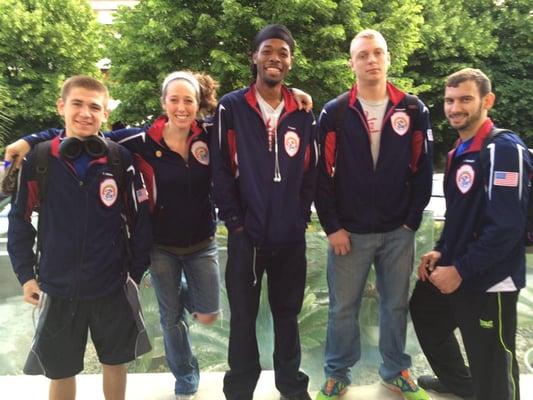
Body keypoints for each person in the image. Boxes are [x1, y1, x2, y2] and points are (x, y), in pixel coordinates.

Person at [5, 70, 313, 400]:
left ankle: (179, 289)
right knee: (158, 324)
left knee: (203, 314)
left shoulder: (203, 136)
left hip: (180, 252)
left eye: (189, 100)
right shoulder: (130, 144)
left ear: (198, 105)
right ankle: (185, 373)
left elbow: (251, 115)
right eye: (174, 99)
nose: (181, 107)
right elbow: (78, 135)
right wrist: (29, 141)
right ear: (163, 102)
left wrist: (290, 92)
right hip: (141, 255)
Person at [7, 75, 153, 400]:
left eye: (94, 107)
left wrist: (133, 272)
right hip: (58, 288)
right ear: (61, 107)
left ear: (105, 115)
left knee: (115, 363)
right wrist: (26, 276)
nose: (85, 113)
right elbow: (19, 222)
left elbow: (141, 222)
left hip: (110, 286)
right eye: (77, 104)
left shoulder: (119, 160)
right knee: (61, 371)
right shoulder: (40, 160)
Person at [314, 29, 433, 400]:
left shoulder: (412, 109)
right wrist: (333, 227)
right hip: (350, 232)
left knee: (395, 305)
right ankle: (336, 373)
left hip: (398, 230)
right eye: (362, 55)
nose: (371, 60)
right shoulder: (334, 112)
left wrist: (412, 220)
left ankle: (396, 369)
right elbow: (321, 174)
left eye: (377, 53)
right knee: (342, 308)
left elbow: (423, 168)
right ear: (351, 63)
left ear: (388, 59)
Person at [409, 68, 530, 400]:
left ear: (486, 101)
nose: (454, 108)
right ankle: (460, 383)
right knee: (425, 311)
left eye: (465, 99)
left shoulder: (504, 149)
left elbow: (507, 227)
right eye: (449, 101)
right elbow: (461, 216)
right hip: (457, 267)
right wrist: (441, 250)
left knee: (493, 363)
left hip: (491, 279)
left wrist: (460, 270)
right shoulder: (458, 151)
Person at [211, 24, 317, 400]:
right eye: (268, 51)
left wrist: (300, 217)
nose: (275, 58)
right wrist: (236, 224)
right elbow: (221, 169)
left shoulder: (303, 112)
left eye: (283, 53)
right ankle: (239, 390)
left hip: (289, 237)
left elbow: (310, 171)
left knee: (288, 317)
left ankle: (291, 386)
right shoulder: (232, 107)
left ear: (290, 61)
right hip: (247, 238)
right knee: (242, 319)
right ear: (254, 57)